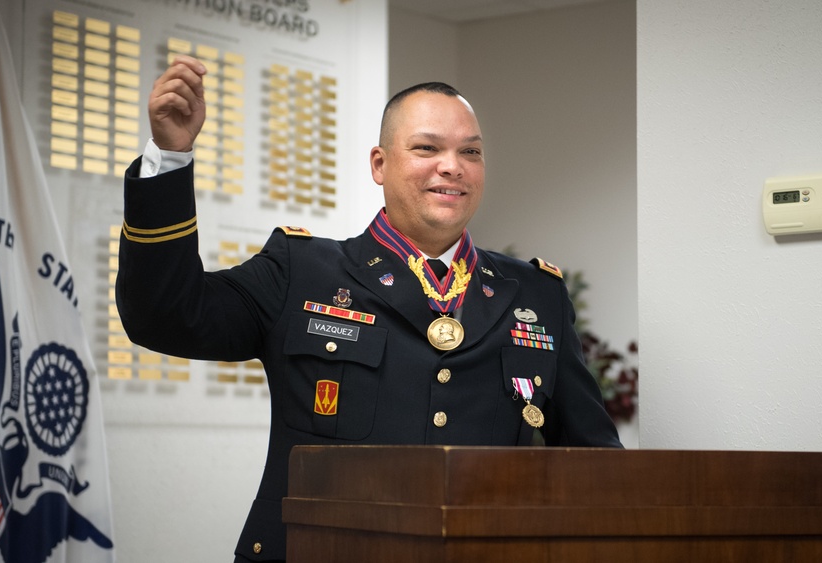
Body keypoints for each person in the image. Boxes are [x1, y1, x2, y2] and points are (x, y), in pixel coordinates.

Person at [117, 55, 622, 563]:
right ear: (380, 164)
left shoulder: (536, 294)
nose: (453, 165)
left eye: (470, 151)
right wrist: (170, 157)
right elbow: (165, 315)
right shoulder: (302, 271)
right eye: (427, 148)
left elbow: (597, 467)